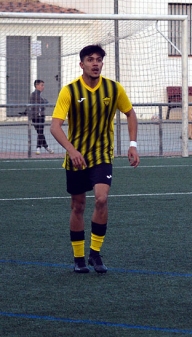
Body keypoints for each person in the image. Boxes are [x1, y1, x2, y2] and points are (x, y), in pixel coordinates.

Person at [50, 45, 140, 274]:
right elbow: (55, 127)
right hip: (76, 158)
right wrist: (71, 150)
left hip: (102, 156)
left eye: (99, 59)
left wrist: (132, 144)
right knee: (78, 205)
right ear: (81, 64)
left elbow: (130, 113)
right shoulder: (69, 91)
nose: (95, 63)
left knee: (101, 199)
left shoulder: (113, 88)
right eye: (90, 60)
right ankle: (79, 258)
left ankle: (95, 254)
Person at [29, 79, 54, 155]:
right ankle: (44, 147)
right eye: (41, 85)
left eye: (43, 85)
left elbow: (44, 102)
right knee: (40, 132)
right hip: (35, 116)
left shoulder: (39, 95)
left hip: (41, 116)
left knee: (40, 132)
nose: (43, 87)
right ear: (37, 86)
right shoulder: (34, 94)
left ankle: (41, 147)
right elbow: (42, 101)